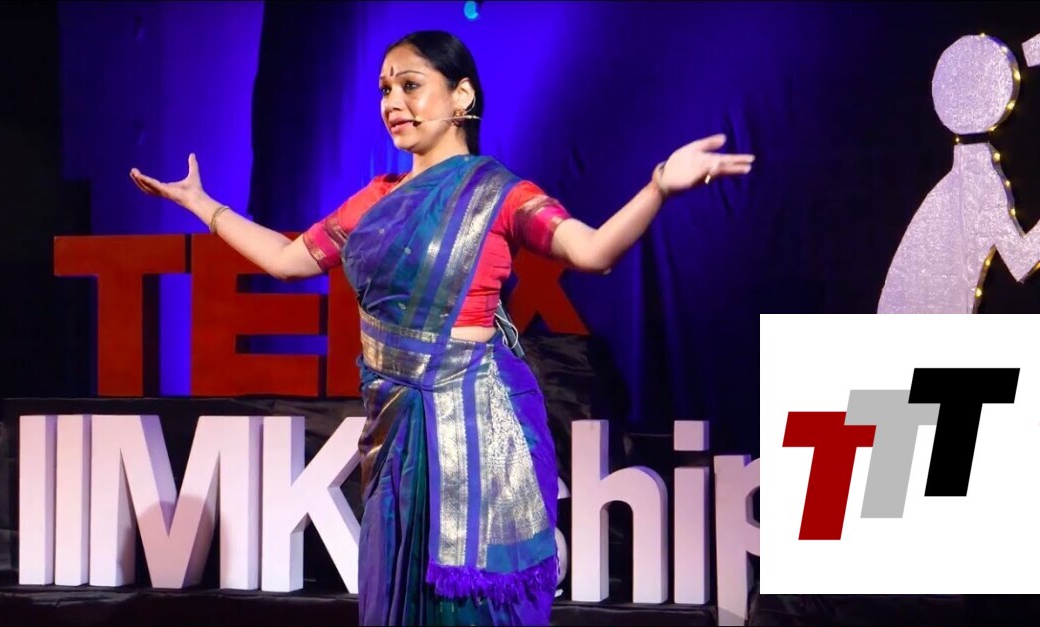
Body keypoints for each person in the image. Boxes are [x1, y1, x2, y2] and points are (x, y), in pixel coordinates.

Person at [130, 29, 753, 627]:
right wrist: (202, 205)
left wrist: (658, 187)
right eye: (384, 90)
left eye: (410, 85)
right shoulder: (376, 198)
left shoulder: (501, 193)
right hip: (394, 430)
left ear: (462, 96)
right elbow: (289, 261)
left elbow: (593, 252)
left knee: (471, 601)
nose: (392, 103)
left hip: (476, 429)